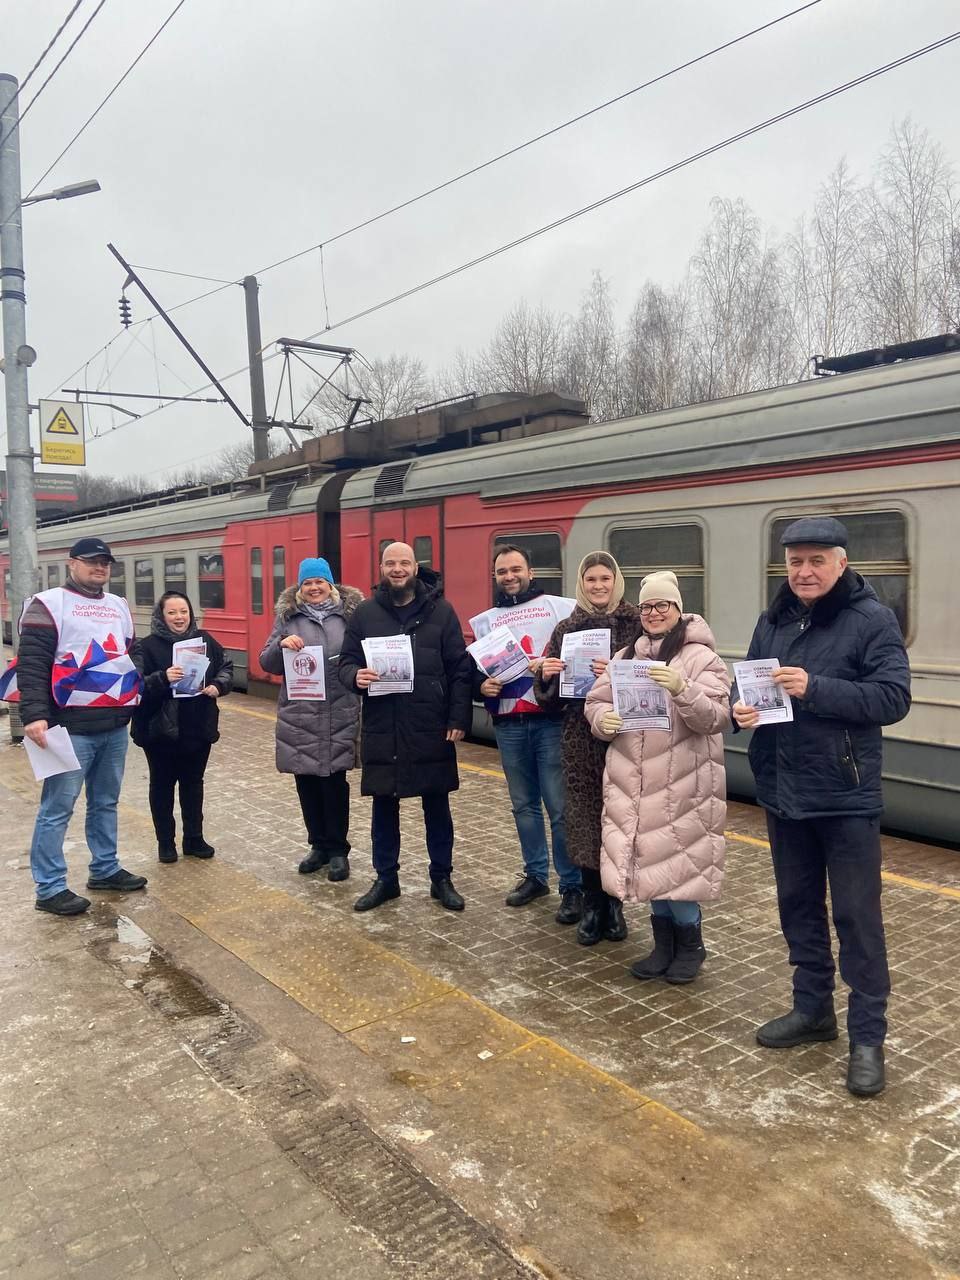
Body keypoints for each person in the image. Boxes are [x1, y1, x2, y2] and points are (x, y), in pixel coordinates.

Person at [732, 516, 911, 1097]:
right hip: (785, 792)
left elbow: (893, 698)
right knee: (798, 906)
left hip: (845, 795)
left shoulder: (871, 620)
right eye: (795, 562)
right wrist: (744, 709)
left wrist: (816, 688)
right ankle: (813, 1012)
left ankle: (867, 1038)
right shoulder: (774, 618)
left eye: (816, 561)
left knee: (858, 919)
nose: (804, 572)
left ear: (840, 563)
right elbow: (754, 684)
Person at [584, 571, 730, 983]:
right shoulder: (625, 656)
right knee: (650, 866)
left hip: (683, 784)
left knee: (679, 872)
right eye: (647, 606)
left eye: (662, 605)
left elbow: (716, 719)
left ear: (678, 610)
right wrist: (603, 721)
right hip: (635, 783)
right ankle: (663, 947)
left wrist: (683, 688)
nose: (653, 613)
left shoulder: (703, 659)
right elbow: (595, 702)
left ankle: (691, 947)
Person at [15, 536, 147, 915]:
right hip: (66, 728)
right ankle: (50, 887)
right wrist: (35, 716)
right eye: (91, 561)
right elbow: (33, 664)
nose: (100, 567)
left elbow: (132, 650)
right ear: (71, 563)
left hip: (113, 725)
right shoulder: (48, 604)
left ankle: (105, 868)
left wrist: (130, 675)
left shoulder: (118, 605)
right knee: (57, 808)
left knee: (105, 802)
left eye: (105, 562)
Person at [339, 542, 472, 911]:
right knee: (384, 806)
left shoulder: (442, 612)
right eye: (390, 563)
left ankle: (441, 879)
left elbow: (460, 669)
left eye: (404, 563)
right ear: (381, 568)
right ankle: (386, 879)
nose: (397, 569)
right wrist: (356, 676)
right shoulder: (365, 613)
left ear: (416, 567)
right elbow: (345, 663)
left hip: (430, 725)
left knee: (437, 806)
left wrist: (459, 718)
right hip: (383, 725)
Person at [533, 552, 641, 945]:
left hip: (625, 738)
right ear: (582, 583)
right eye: (591, 580)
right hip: (580, 739)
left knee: (621, 822)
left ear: (617, 581)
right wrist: (546, 675)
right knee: (584, 824)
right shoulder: (566, 629)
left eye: (605, 579)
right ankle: (594, 904)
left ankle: (616, 905)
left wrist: (616, 673)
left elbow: (649, 678)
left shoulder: (636, 623)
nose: (598, 586)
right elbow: (548, 699)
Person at [476, 545, 583, 923]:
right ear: (496, 576)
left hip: (549, 720)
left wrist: (552, 666)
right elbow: (477, 672)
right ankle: (536, 876)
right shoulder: (486, 622)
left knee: (558, 808)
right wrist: (482, 688)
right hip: (508, 724)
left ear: (531, 572)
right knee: (523, 806)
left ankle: (571, 886)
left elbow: (579, 655)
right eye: (502, 571)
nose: (509, 576)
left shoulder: (560, 608)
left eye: (515, 569)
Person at [259, 558, 363, 882]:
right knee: (306, 784)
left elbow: (362, 654)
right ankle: (317, 846)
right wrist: (281, 645)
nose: (314, 588)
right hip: (301, 715)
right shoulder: (288, 618)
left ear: (331, 585)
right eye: (308, 584)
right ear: (300, 589)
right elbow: (267, 662)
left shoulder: (349, 616)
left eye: (320, 582)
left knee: (334, 784)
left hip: (339, 712)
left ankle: (338, 851)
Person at [131, 592, 233, 862]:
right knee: (162, 786)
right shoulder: (147, 646)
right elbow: (135, 685)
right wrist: (162, 677)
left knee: (193, 784)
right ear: (161, 616)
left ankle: (194, 839)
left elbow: (226, 667)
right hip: (159, 730)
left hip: (197, 725)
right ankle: (166, 843)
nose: (179, 617)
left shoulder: (206, 641)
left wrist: (218, 685)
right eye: (172, 612)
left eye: (184, 611)